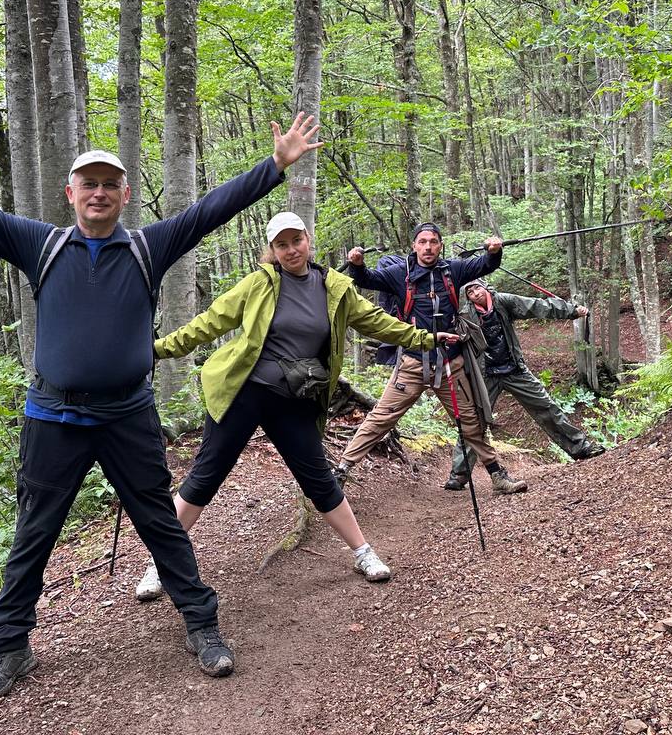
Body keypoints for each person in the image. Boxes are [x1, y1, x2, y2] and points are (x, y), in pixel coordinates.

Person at [0, 110, 321, 705]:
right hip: (53, 416)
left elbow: (209, 210)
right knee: (35, 530)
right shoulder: (41, 245)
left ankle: (201, 625)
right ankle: (10, 648)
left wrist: (276, 165)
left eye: (111, 184)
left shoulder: (147, 247)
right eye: (90, 183)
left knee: (160, 522)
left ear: (125, 194)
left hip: (128, 415)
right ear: (72, 193)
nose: (100, 193)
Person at [135, 211, 460, 601]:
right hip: (245, 393)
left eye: (296, 241)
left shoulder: (334, 287)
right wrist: (155, 351)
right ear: (272, 250)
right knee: (205, 477)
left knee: (318, 479)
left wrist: (426, 338)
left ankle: (363, 552)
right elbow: (208, 323)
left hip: (295, 399)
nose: (291, 250)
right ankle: (159, 563)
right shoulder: (258, 284)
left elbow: (376, 321)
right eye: (281, 244)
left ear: (308, 240)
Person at [333, 222, 528, 494]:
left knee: (470, 422)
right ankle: (341, 470)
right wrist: (356, 264)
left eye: (433, 242)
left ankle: (497, 475)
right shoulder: (399, 274)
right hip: (412, 364)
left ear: (441, 245)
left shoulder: (453, 270)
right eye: (422, 241)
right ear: (414, 245)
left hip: (450, 364)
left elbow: (484, 265)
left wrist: (494, 252)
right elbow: (367, 279)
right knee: (381, 419)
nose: (428, 247)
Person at [444, 279, 606, 490]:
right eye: (469, 292)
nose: (475, 293)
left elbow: (536, 305)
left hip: (515, 369)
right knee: (474, 422)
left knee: (546, 407)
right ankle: (459, 474)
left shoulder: (503, 301)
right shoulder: (465, 314)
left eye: (477, 288)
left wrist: (571, 310)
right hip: (485, 376)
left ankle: (580, 448)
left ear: (485, 287)